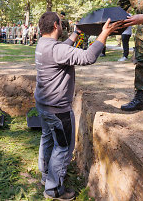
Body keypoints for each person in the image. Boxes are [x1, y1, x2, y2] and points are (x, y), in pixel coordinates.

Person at [35, 11, 122, 200]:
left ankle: (45, 175)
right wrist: (104, 33)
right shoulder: (56, 50)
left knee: (47, 138)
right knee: (63, 147)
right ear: (57, 26)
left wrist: (77, 33)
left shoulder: (43, 44)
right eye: (61, 22)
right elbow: (89, 57)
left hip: (43, 104)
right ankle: (53, 189)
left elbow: (62, 49)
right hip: (58, 109)